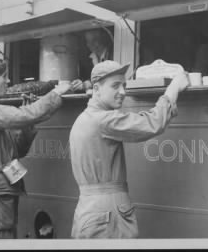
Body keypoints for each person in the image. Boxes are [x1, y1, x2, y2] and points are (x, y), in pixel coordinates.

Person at [69, 60, 189, 238]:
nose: (123, 92)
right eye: (115, 86)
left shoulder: (84, 119)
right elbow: (153, 123)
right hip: (109, 212)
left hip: (89, 209)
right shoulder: (102, 120)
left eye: (124, 85)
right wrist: (173, 89)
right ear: (96, 89)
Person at [0, 56, 71, 239]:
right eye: (4, 77)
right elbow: (23, 115)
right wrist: (56, 94)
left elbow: (17, 151)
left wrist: (26, 126)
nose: (8, 81)